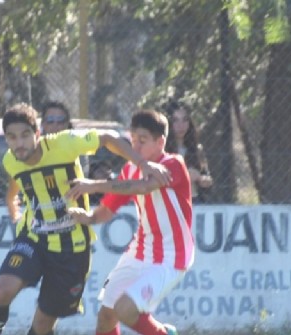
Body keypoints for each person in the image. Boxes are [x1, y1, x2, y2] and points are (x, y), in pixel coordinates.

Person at [0, 104, 170, 335]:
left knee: (42, 325)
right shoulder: (11, 161)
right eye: (12, 137)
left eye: (24, 135)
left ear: (37, 134)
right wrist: (15, 216)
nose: (19, 143)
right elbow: (13, 192)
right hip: (34, 240)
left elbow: (108, 138)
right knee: (2, 291)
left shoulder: (64, 144)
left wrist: (142, 164)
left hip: (72, 248)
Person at [65, 109, 194, 335]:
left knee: (125, 309)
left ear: (160, 141)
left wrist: (93, 184)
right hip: (139, 251)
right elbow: (108, 208)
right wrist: (89, 218)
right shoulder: (130, 168)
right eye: (133, 140)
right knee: (106, 314)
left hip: (172, 256)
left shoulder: (173, 164)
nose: (135, 148)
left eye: (142, 141)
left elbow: (142, 187)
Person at [6, 100, 75, 221]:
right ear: (42, 124)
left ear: (67, 124)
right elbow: (11, 195)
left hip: (70, 220)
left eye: (60, 121)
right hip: (36, 228)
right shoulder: (24, 152)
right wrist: (16, 217)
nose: (55, 125)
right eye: (50, 121)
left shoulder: (76, 147)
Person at [164, 100, 213, 203]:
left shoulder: (197, 149)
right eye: (175, 120)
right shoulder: (161, 149)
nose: (180, 125)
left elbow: (207, 178)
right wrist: (185, 176)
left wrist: (200, 178)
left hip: (193, 200)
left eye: (185, 120)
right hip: (170, 200)